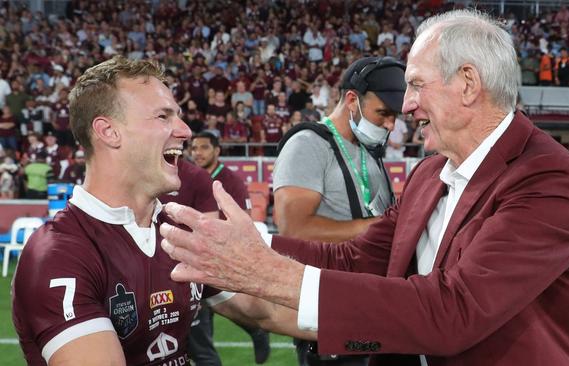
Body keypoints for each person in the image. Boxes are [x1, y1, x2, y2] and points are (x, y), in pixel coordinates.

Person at [160, 9, 569, 365]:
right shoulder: (431, 174)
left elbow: (454, 312)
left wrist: (271, 275)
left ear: (467, 83)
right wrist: (253, 243)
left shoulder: (547, 178)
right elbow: (357, 258)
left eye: (416, 85)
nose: (406, 105)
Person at [12, 56, 308, 366]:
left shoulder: (177, 233)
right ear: (108, 131)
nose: (185, 131)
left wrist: (262, 266)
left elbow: (270, 311)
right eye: (163, 116)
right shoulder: (59, 255)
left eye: (178, 116)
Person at [273, 56, 405, 365]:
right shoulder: (307, 144)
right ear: (351, 100)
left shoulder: (368, 152)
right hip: (333, 318)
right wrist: (382, 227)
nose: (390, 125)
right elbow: (294, 231)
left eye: (395, 116)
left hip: (373, 309)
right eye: (383, 113)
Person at [187, 131, 271, 365]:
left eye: (203, 148)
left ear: (217, 150)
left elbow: (243, 220)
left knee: (205, 310)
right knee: (203, 312)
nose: (198, 153)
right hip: (194, 253)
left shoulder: (230, 180)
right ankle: (253, 331)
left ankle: (255, 330)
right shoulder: (189, 177)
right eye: (194, 148)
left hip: (219, 254)